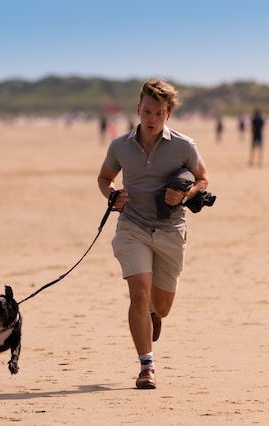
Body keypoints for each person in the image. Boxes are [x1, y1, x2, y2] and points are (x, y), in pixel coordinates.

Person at [97, 78, 210, 389]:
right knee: (139, 294)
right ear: (138, 109)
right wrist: (112, 195)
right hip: (132, 226)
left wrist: (184, 196)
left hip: (170, 230)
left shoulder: (184, 145)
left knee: (160, 306)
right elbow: (105, 177)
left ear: (168, 114)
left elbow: (203, 180)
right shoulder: (120, 146)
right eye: (147, 112)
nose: (151, 119)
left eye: (158, 113)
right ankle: (147, 366)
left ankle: (153, 315)